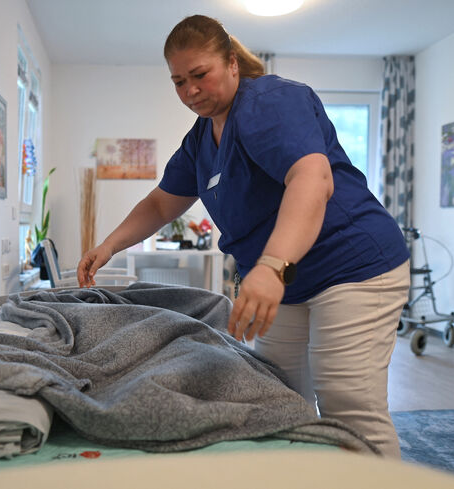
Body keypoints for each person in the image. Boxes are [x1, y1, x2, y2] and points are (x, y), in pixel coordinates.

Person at [76, 14, 410, 457]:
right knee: (277, 398)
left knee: (349, 407)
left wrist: (272, 266)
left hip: (352, 265)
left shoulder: (269, 102)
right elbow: (161, 203)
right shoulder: (200, 141)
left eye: (200, 75)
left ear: (232, 63)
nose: (190, 91)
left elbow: (313, 179)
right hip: (289, 279)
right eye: (178, 82)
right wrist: (108, 246)